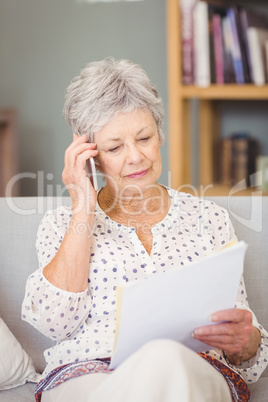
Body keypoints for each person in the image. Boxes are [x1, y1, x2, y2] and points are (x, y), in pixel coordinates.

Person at [22, 58, 268, 402]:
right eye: (115, 147)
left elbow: (243, 336)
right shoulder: (63, 224)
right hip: (89, 375)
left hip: (192, 369)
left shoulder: (208, 217)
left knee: (163, 359)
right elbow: (53, 323)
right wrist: (83, 204)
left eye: (144, 137)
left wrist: (247, 341)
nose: (135, 157)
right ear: (90, 156)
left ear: (160, 135)